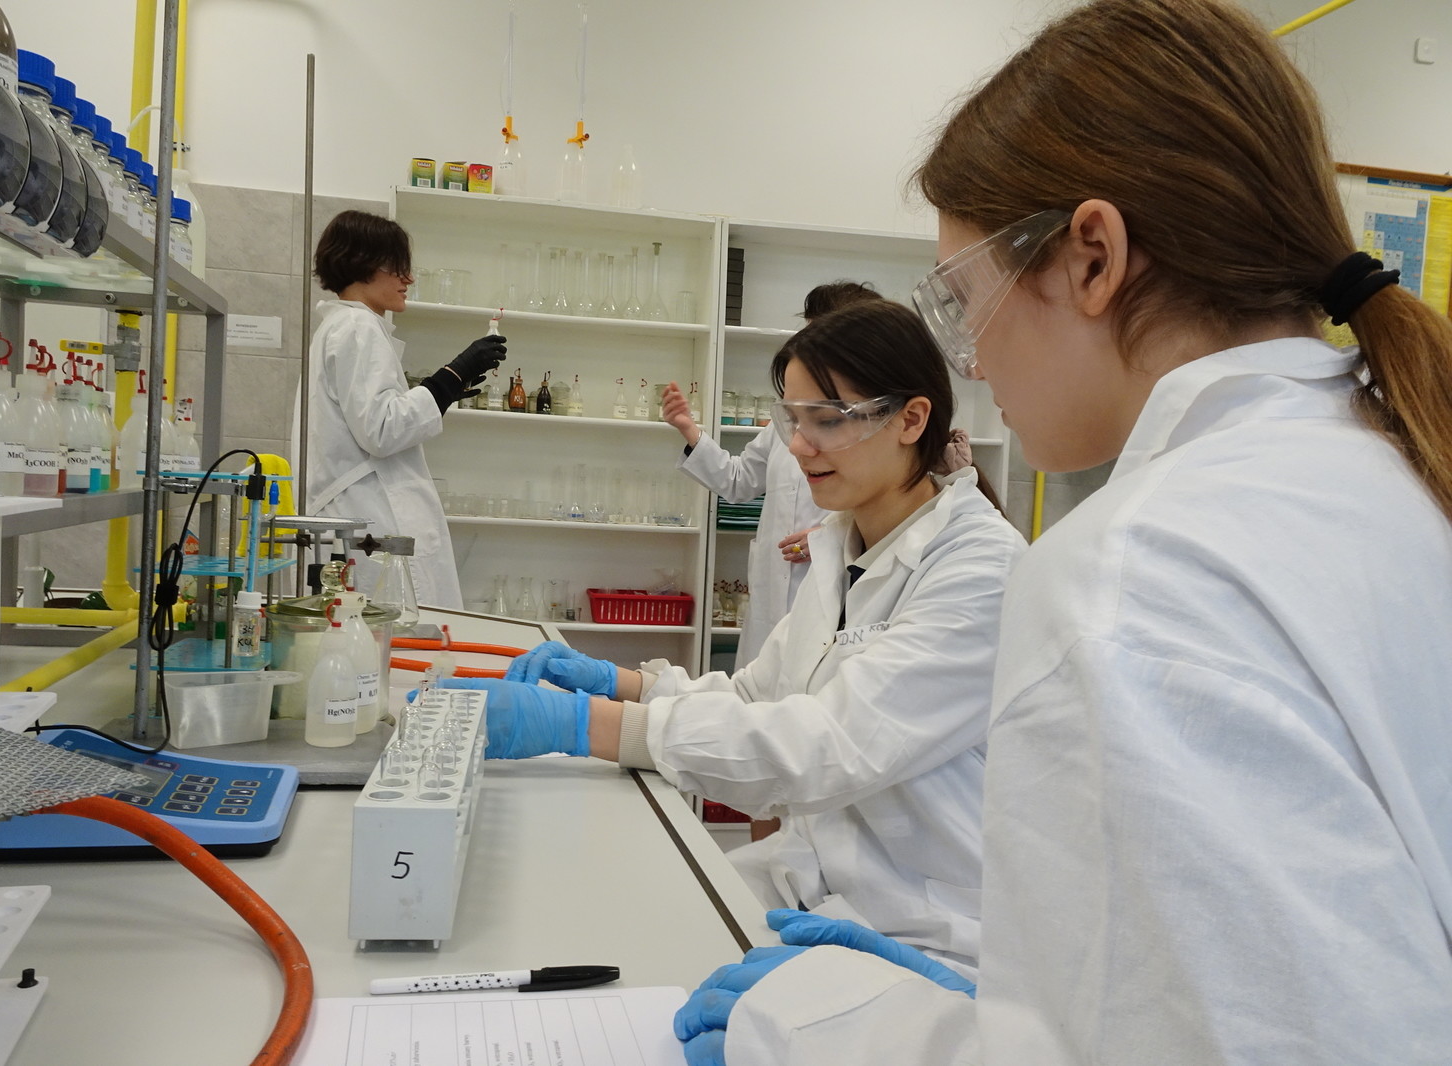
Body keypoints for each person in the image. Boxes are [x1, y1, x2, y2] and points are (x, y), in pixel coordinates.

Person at [673, 2, 1452, 1063]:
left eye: (963, 301)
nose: (970, 361)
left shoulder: (1132, 572)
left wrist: (849, 1034)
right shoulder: (1389, 468)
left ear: (1092, 257)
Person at [435, 299, 1026, 976]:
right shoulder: (842, 543)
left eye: (827, 420)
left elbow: (826, 745)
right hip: (815, 887)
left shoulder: (980, 566)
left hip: (927, 933)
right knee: (593, 926)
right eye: (793, 419)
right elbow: (755, 697)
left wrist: (586, 725)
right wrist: (621, 683)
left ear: (911, 420)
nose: (798, 446)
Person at [660, 281, 882, 669]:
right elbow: (738, 481)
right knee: (760, 684)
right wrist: (689, 430)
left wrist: (833, 537)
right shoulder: (788, 422)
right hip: (770, 597)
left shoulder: (876, 428)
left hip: (834, 593)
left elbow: (891, 512)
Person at [300, 210, 506, 608]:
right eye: (396, 267)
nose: (408, 279)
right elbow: (382, 429)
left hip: (355, 514)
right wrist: (451, 375)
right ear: (361, 264)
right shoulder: (358, 328)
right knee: (393, 632)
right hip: (368, 515)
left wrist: (443, 392)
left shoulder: (342, 326)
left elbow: (370, 418)